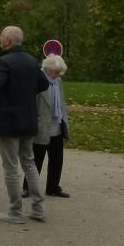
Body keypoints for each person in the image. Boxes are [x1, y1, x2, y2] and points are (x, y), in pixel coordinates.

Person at [0, 26, 50, 224]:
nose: (0, 39)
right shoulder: (32, 61)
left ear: (8, 41)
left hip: (8, 121)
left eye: (1, 37)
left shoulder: (5, 62)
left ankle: (15, 211)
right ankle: (38, 208)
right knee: (29, 163)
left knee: (11, 166)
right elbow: (44, 84)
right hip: (28, 119)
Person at [29, 54, 70, 198]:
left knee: (57, 160)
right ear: (48, 68)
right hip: (41, 125)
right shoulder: (37, 79)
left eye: (60, 72)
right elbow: (31, 102)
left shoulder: (58, 81)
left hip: (57, 125)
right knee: (36, 159)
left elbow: (62, 101)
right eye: (56, 71)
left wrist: (64, 117)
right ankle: (28, 187)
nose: (58, 74)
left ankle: (53, 187)